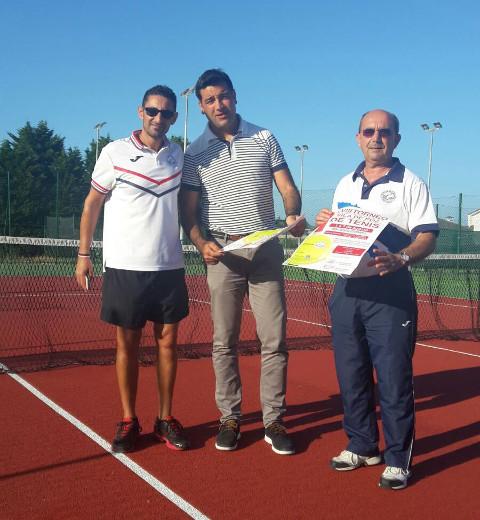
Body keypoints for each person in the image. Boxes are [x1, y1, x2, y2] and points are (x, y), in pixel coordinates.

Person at [180, 69, 305, 455]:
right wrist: (201, 243)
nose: (219, 105)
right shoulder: (194, 153)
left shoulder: (264, 137)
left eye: (224, 97)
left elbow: (287, 188)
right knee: (224, 342)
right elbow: (188, 213)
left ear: (235, 96)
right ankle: (230, 418)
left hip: (266, 249)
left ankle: (273, 419)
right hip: (223, 255)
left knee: (275, 339)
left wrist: (292, 216)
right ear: (201, 106)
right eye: (210, 100)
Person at [316, 110, 438, 489]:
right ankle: (363, 445)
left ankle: (398, 457)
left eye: (385, 132)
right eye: (369, 131)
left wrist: (402, 257)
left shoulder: (411, 183)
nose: (376, 138)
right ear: (358, 138)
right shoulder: (345, 183)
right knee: (351, 374)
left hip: (390, 294)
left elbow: (427, 236)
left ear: (397, 140)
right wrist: (326, 226)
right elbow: (340, 238)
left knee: (393, 379)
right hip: (347, 290)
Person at [75, 85, 190, 453]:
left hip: (169, 265)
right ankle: (129, 419)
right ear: (140, 112)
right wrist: (83, 253)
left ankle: (164, 418)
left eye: (167, 113)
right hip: (125, 265)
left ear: (173, 117)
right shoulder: (114, 152)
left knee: (168, 343)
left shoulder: (180, 156)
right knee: (127, 344)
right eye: (153, 111)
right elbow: (93, 203)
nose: (160, 118)